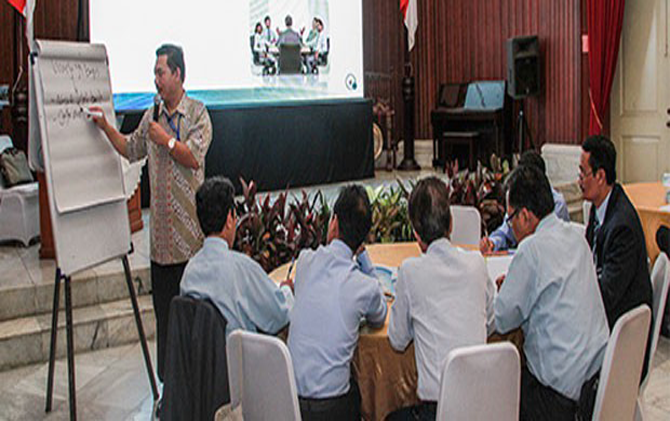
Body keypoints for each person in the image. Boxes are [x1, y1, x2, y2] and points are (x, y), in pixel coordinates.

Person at [91, 44, 213, 383]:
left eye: (161, 72)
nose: (156, 79)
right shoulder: (152, 115)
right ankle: (168, 389)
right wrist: (105, 127)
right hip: (161, 246)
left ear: (177, 74)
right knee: (164, 320)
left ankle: (193, 388)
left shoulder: (198, 114)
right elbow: (130, 148)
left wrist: (167, 141)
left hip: (190, 246)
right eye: (155, 73)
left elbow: (194, 158)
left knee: (192, 323)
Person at [494, 165, 609, 421]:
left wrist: (506, 290)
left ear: (525, 216)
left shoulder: (531, 250)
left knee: (494, 387)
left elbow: (502, 319)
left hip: (559, 400)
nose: (510, 227)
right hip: (597, 382)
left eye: (510, 219)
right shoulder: (576, 236)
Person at [387, 177, 496, 421]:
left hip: (437, 411)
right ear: (451, 224)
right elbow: (491, 322)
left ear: (416, 234)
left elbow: (397, 340)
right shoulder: (477, 263)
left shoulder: (411, 272)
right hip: (483, 406)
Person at [288, 185, 388, 421]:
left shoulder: (305, 262)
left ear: (334, 223)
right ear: (364, 237)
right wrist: (363, 258)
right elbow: (380, 317)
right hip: (333, 410)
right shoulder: (365, 286)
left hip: (290, 401)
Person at [179, 176, 293, 336]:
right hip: (238, 352)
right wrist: (287, 290)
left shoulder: (189, 273)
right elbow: (279, 315)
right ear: (229, 219)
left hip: (200, 352)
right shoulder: (242, 269)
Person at [580, 135, 653, 376]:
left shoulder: (622, 227)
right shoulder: (601, 206)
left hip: (623, 342)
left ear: (600, 176)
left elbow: (606, 294)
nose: (579, 180)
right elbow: (587, 259)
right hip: (607, 324)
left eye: (583, 173)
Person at [480, 150, 570, 253]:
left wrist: (509, 252)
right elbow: (505, 232)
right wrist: (492, 243)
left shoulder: (556, 203)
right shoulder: (515, 195)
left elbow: (546, 248)